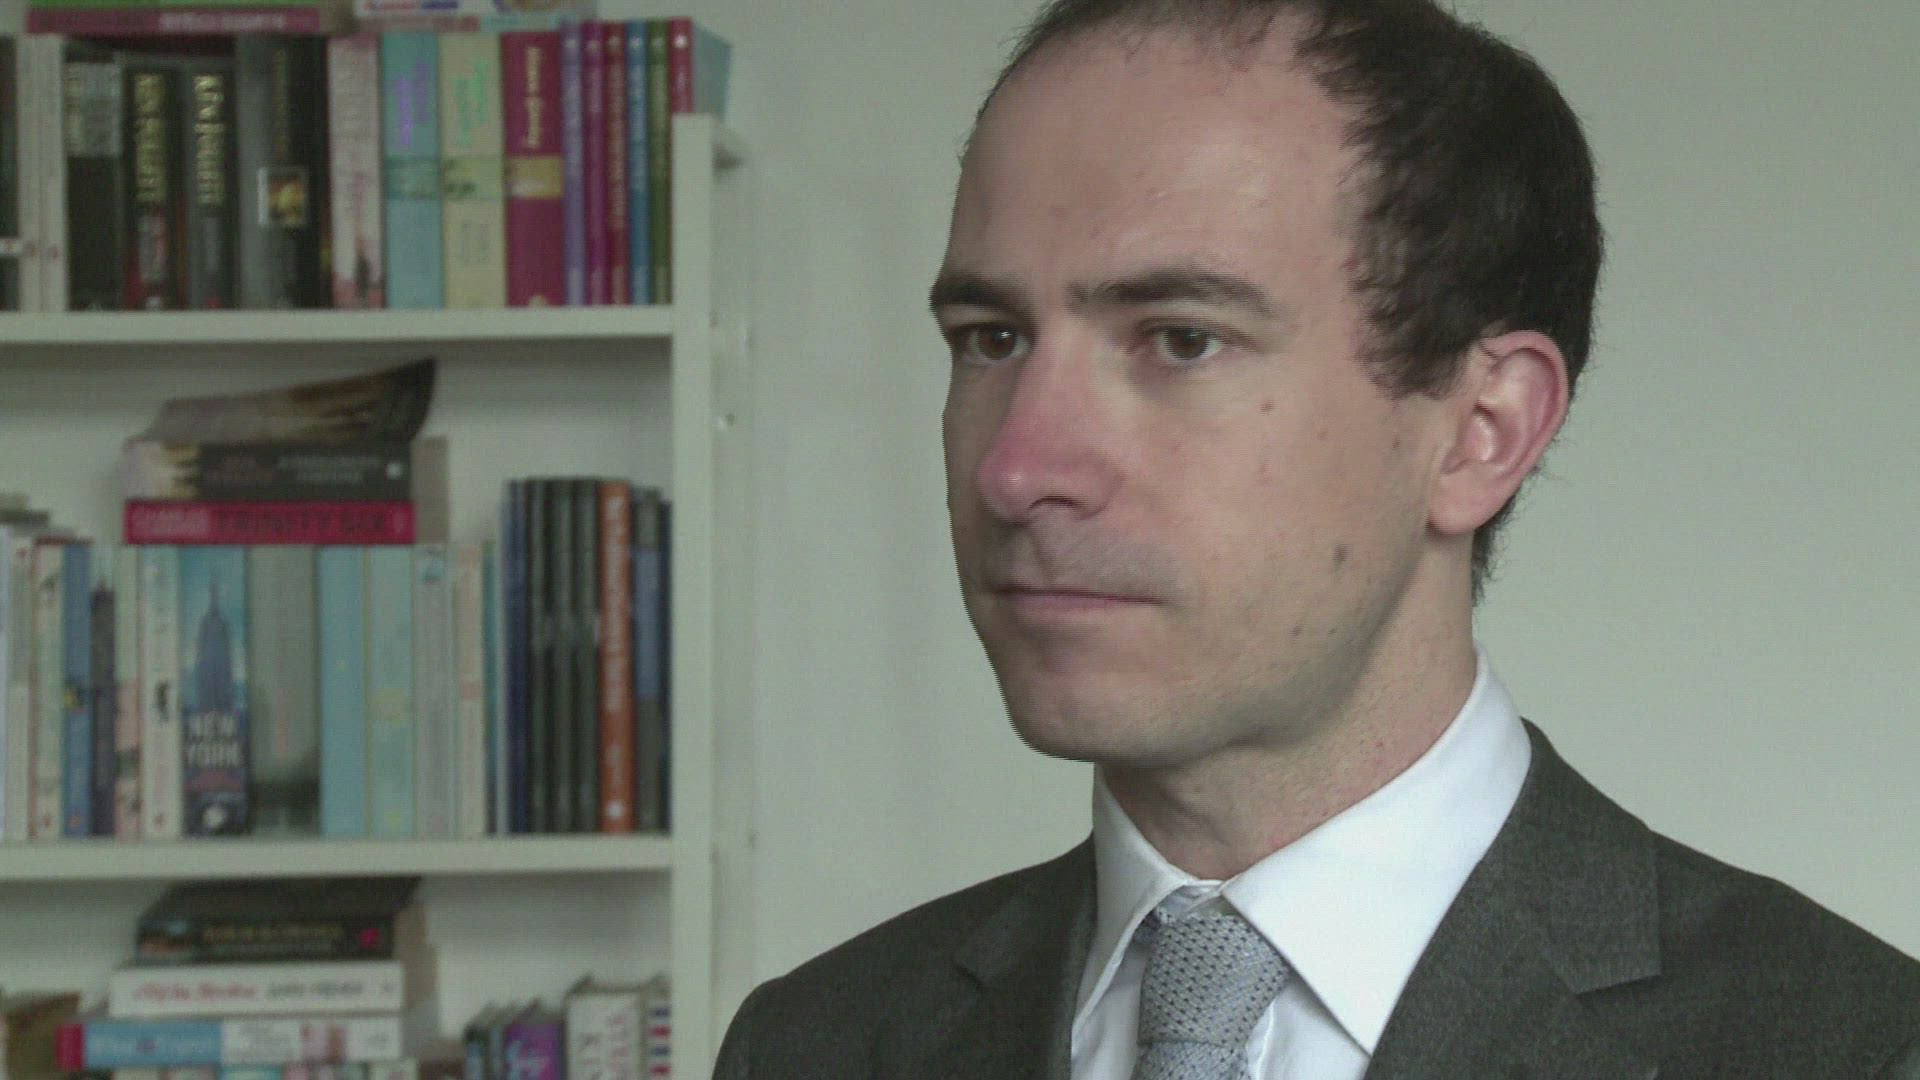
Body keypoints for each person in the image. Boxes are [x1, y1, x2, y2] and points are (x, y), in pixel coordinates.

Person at [714, 0, 1920, 1076]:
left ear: (1481, 433)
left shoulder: (1852, 1050)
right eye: (991, 338)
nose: (1017, 469)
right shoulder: (813, 1047)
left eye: (1181, 339)